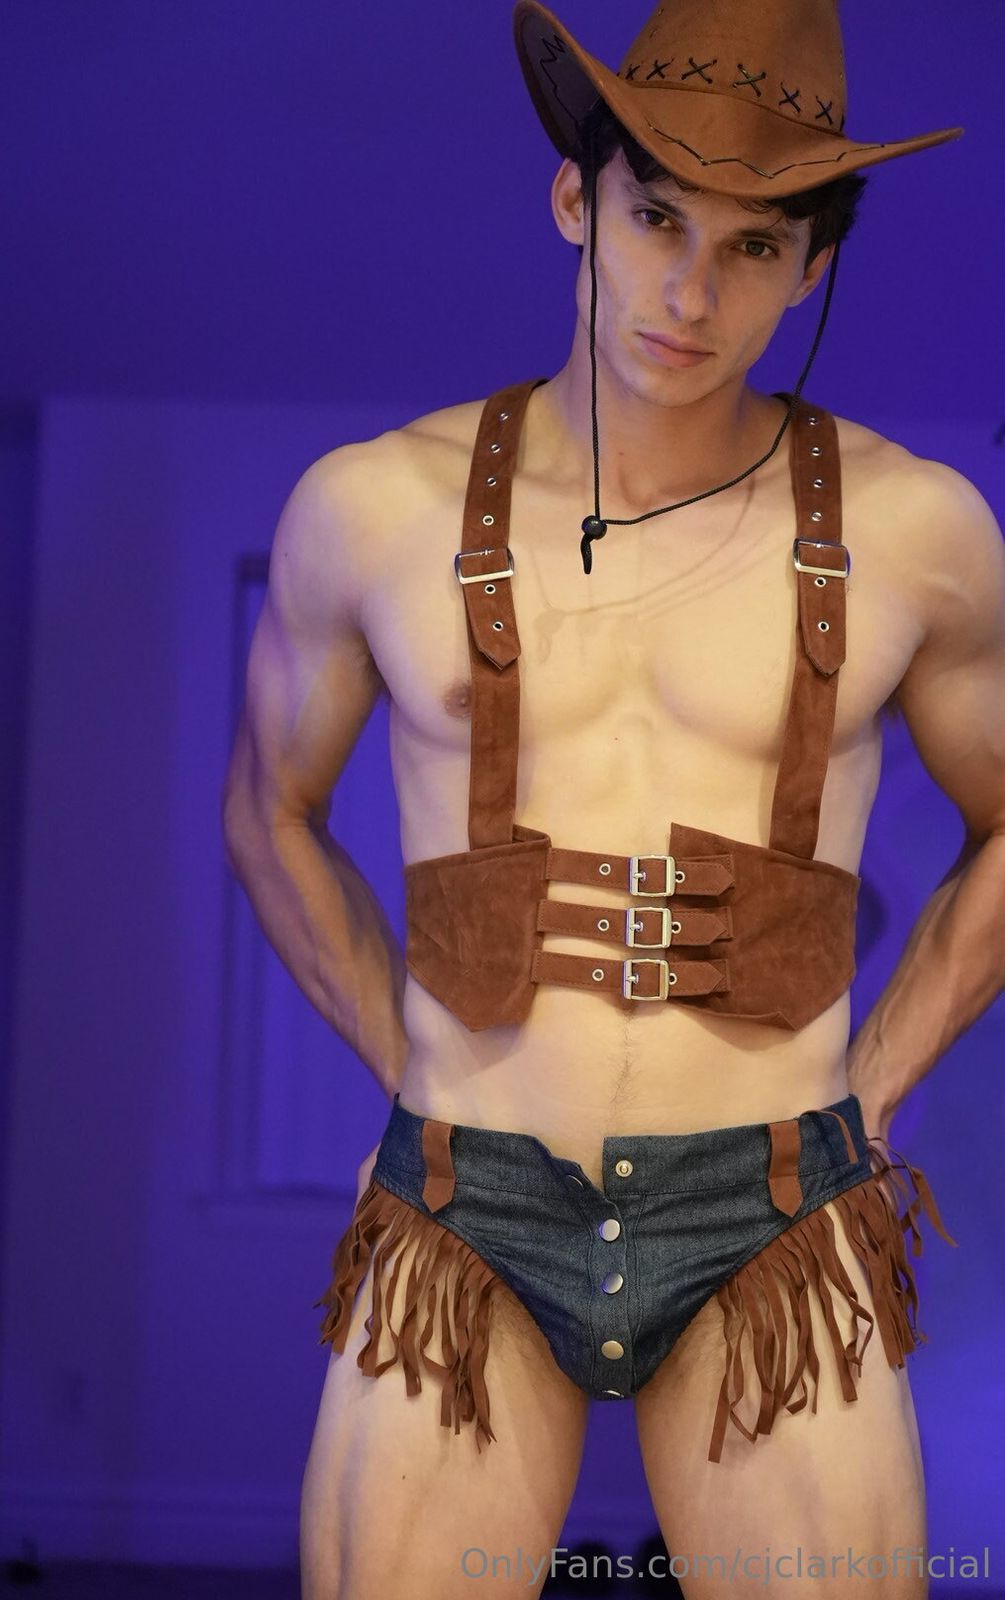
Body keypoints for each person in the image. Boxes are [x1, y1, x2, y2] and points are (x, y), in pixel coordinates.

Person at [221, 1, 1002, 1595]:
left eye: (752, 247)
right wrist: (406, 1066)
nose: (690, 293)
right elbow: (265, 813)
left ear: (810, 268)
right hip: (464, 1203)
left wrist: (866, 1090)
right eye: (656, 220)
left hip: (775, 1209)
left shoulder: (917, 531)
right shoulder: (372, 509)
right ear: (574, 199)